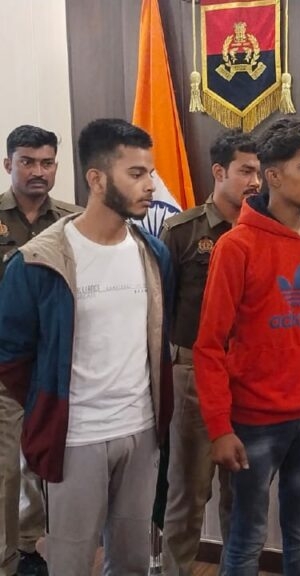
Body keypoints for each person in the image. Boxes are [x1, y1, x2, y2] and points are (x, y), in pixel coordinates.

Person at [0, 118, 174, 576]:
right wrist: (48, 407)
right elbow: (12, 357)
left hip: (142, 431)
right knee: (72, 562)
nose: (150, 185)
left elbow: (158, 338)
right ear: (97, 179)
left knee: (133, 562)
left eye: (150, 172)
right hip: (75, 437)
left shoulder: (154, 253)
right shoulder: (39, 260)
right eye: (136, 173)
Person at [193, 117, 300, 575]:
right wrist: (219, 427)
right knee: (246, 538)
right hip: (254, 422)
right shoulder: (236, 246)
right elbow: (209, 344)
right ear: (273, 176)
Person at [160, 129, 261, 575]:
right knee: (188, 492)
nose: (255, 181)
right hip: (193, 375)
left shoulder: (266, 230)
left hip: (248, 374)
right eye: (245, 171)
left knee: (243, 493)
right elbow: (162, 306)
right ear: (219, 172)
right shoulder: (183, 232)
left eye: (259, 172)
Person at [0, 125, 81, 576]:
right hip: (3, 364)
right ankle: (5, 560)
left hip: (52, 365)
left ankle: (28, 545)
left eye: (46, 162)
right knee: (5, 469)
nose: (38, 171)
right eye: (27, 161)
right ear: (8, 164)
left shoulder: (73, 221)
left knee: (39, 460)